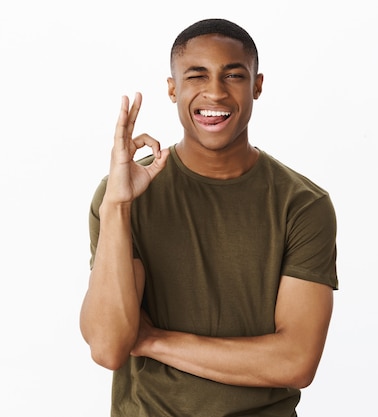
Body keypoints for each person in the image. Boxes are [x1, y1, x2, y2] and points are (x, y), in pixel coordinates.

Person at [79, 18, 338, 416]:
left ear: (257, 85)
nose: (215, 92)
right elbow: (109, 346)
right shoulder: (123, 199)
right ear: (173, 89)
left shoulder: (302, 205)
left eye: (233, 75)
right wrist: (117, 206)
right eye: (196, 76)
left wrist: (150, 340)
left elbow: (296, 361)